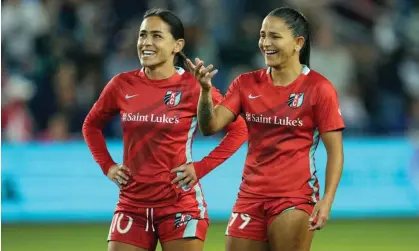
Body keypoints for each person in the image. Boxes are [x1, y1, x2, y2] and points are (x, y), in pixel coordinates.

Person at [82, 8, 247, 251]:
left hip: (179, 203)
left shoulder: (195, 87)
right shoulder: (121, 84)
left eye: (157, 36)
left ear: (177, 45)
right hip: (132, 203)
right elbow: (91, 125)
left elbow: (239, 130)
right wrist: (107, 165)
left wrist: (200, 168)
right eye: (142, 35)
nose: (146, 43)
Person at [188, 7, 345, 251]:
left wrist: (327, 200)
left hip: (294, 197)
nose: (265, 43)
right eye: (262, 35)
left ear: (298, 43)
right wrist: (206, 93)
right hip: (250, 197)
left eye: (274, 36)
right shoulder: (245, 83)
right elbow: (209, 127)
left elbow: (335, 151)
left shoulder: (319, 88)